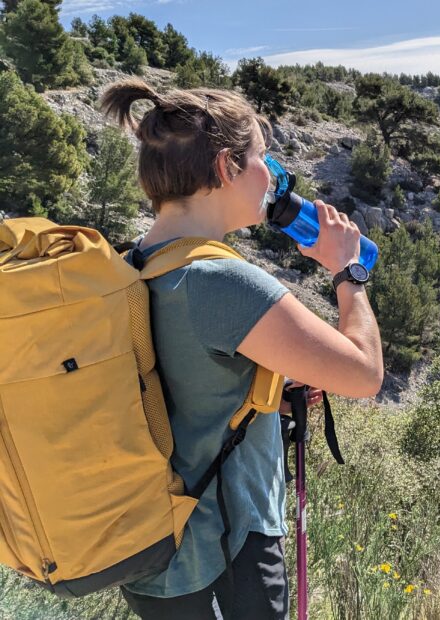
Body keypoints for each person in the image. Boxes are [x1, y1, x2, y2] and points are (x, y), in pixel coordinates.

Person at [98, 78, 383, 619]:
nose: (272, 178)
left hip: (150, 550)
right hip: (229, 549)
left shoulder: (131, 265)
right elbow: (366, 374)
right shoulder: (223, 282)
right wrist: (349, 272)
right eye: (264, 161)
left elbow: (184, 373)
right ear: (228, 166)